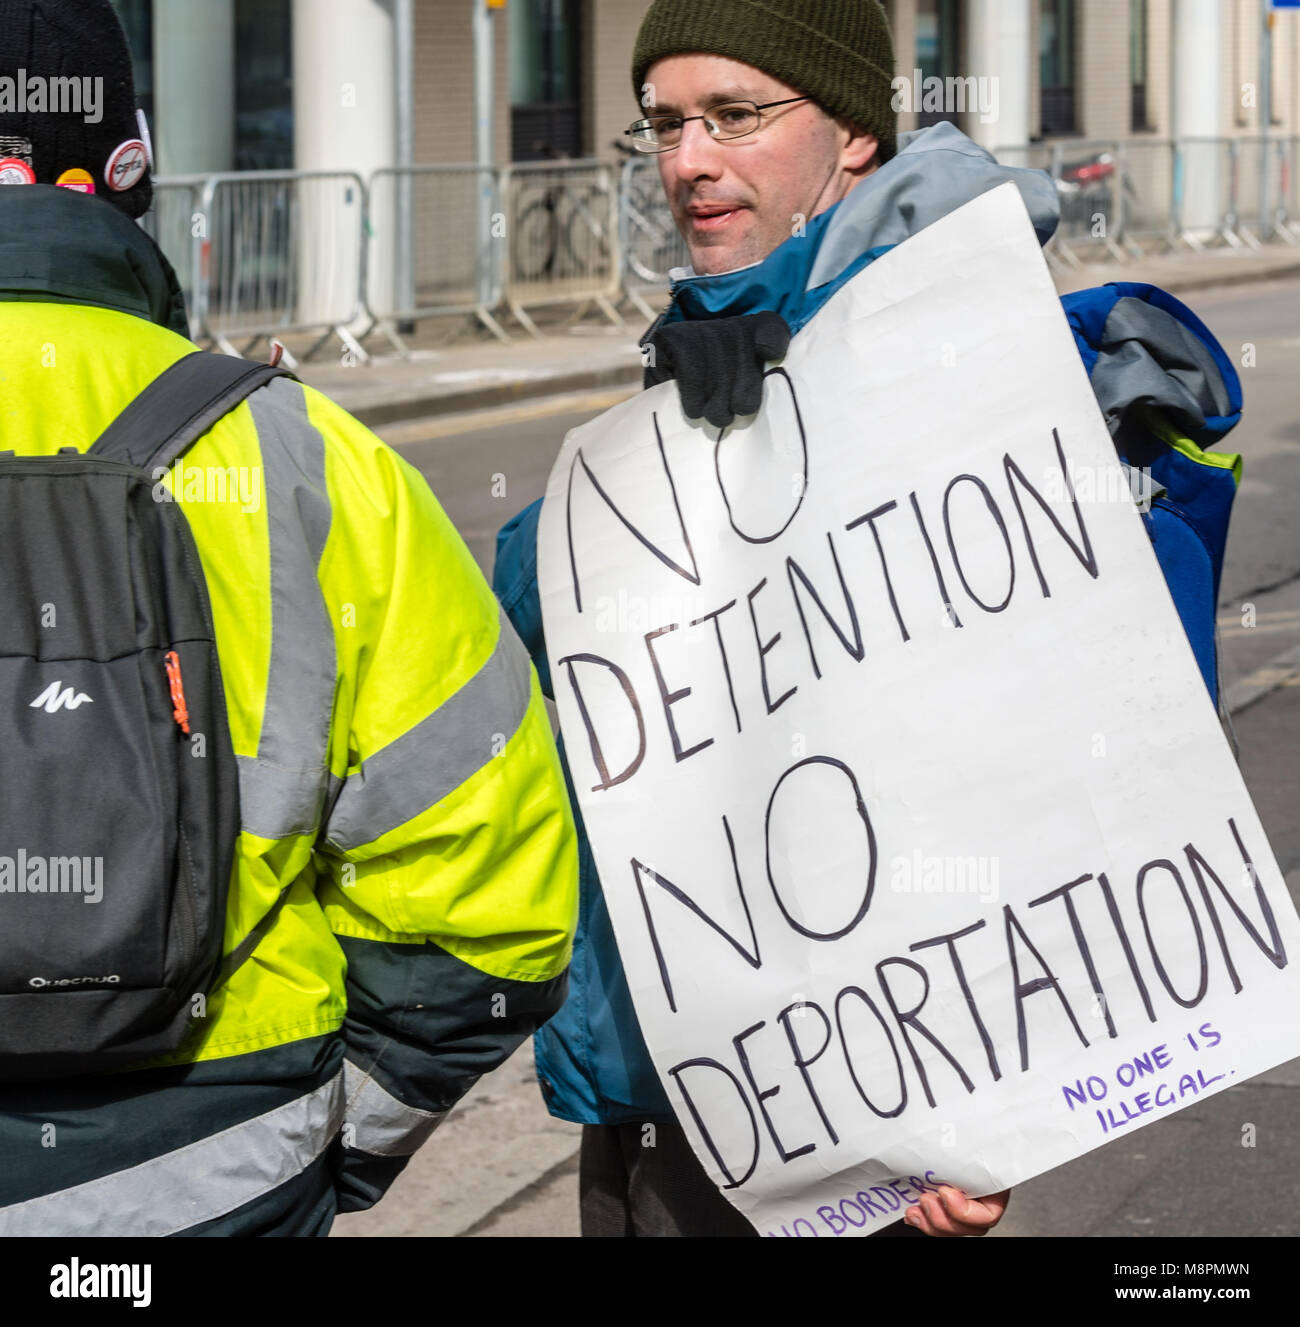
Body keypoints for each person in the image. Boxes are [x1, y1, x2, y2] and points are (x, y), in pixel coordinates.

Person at [493, 0, 1242, 1238]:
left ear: (851, 133)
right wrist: (654, 457)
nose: (687, 161)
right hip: (661, 1076)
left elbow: (1097, 748)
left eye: (735, 115)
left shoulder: (972, 360)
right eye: (665, 124)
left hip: (858, 1116)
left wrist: (1001, 1108)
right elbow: (554, 628)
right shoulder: (725, 331)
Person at [0, 0, 577, 1236]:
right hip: (213, 1176)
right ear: (130, 168)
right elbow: (492, 899)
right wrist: (326, 1136)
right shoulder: (308, 459)